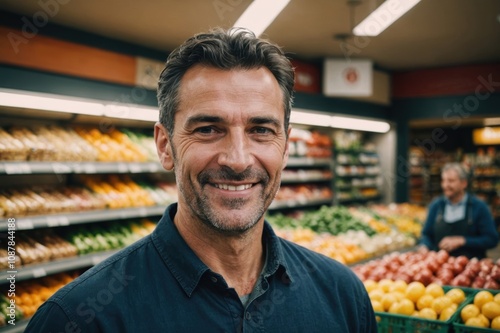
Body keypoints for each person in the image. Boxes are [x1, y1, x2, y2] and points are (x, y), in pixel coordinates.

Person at [24, 28, 377, 332]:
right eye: (208, 129)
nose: (237, 160)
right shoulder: (78, 319)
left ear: (285, 148)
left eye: (261, 130)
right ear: (165, 146)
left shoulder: (343, 297)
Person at [420, 162, 498, 259]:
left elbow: (492, 239)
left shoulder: (479, 207)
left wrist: (462, 241)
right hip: (441, 267)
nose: (445, 185)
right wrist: (424, 246)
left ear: (463, 183)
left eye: (451, 181)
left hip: (471, 267)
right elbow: (426, 234)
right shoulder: (436, 205)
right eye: (443, 181)